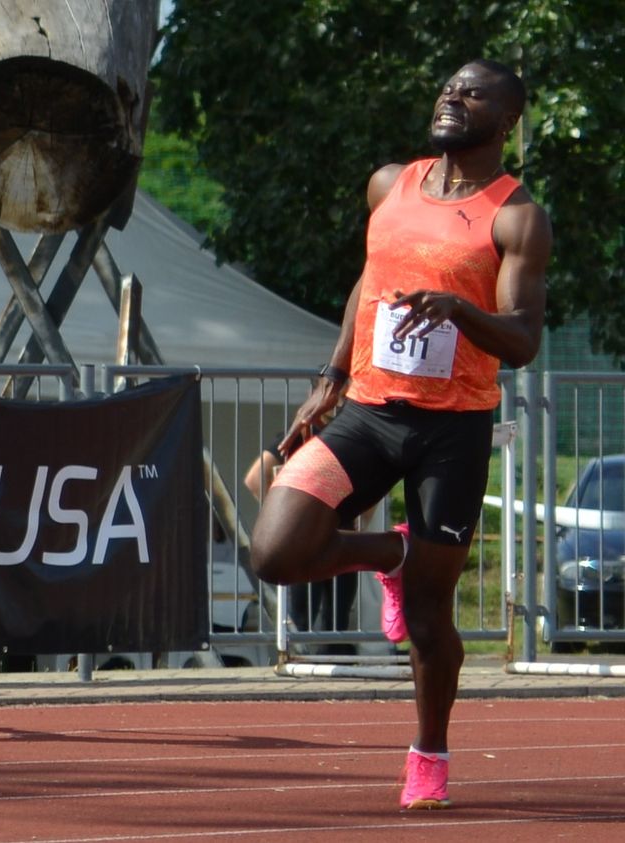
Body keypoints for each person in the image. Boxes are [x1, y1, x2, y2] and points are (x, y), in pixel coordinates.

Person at [249, 59, 551, 810]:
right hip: (369, 413)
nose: (452, 97)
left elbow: (522, 340)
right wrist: (331, 375)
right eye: (449, 88)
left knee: (428, 615)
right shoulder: (391, 185)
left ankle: (429, 752)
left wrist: (460, 309)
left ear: (507, 120)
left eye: (473, 93)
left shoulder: (516, 216)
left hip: (452, 432)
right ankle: (390, 552)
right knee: (276, 551)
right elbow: (369, 279)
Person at [243, 419, 359, 655]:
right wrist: (281, 516)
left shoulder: (352, 430)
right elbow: (255, 478)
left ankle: (330, 668)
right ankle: (299, 662)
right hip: (308, 538)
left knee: (337, 620)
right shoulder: (303, 433)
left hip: (338, 535)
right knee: (304, 618)